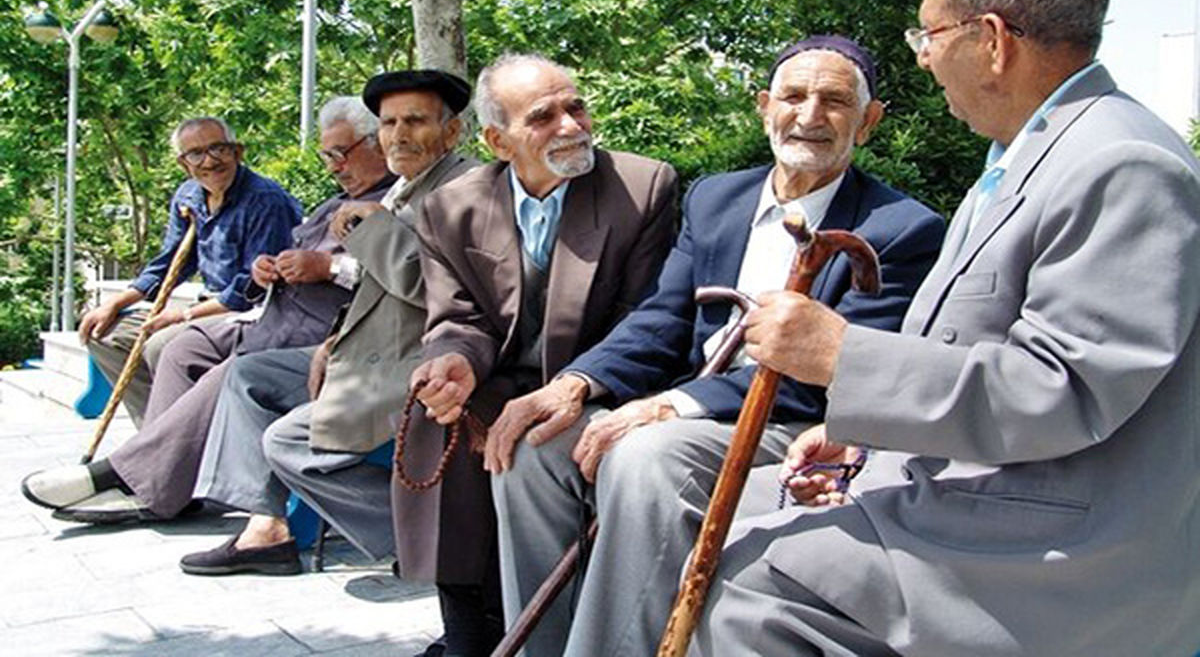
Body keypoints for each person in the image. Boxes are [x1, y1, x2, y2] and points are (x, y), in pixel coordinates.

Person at [695, 0, 1200, 657]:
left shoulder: (1119, 162)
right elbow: (980, 351)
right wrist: (861, 438)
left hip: (1064, 549)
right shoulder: (1031, 154)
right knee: (733, 522)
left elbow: (1064, 389)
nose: (924, 59)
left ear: (992, 40)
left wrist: (842, 356)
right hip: (995, 500)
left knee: (748, 577)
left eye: (927, 35)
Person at [488, 36, 946, 657]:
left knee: (649, 456)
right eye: (792, 96)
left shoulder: (901, 230)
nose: (810, 116)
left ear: (867, 122)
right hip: (697, 414)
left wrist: (673, 406)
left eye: (835, 101)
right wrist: (576, 384)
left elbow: (827, 377)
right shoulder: (716, 198)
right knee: (532, 444)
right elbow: (662, 319)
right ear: (764, 107)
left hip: (795, 425)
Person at [408, 54, 680, 656]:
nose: (571, 125)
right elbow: (458, 318)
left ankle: (537, 628)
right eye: (544, 116)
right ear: (497, 141)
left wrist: (580, 386)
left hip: (600, 381)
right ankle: (468, 633)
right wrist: (454, 360)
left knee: (526, 442)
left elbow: (647, 319)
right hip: (500, 378)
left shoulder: (642, 187)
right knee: (440, 421)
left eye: (575, 106)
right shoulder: (449, 207)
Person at [21, 97, 394, 523]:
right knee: (183, 348)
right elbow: (179, 265)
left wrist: (326, 267)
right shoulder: (329, 201)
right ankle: (162, 473)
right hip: (268, 315)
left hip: (316, 332)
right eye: (328, 155)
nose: (332, 166)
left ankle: (138, 479)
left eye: (340, 153)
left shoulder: (384, 202)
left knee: (212, 361)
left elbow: (399, 274)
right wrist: (266, 271)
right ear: (183, 164)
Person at [177, 69, 476, 577]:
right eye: (389, 123)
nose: (399, 135)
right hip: (359, 350)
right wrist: (334, 337)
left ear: (452, 133)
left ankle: (433, 530)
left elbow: (427, 285)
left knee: (287, 441)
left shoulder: (464, 186)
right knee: (247, 374)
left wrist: (368, 229)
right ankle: (266, 526)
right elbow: (372, 288)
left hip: (419, 361)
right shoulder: (403, 188)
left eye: (415, 121)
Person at [78, 116, 302, 426]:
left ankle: (177, 439)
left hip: (254, 312)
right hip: (208, 306)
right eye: (196, 154)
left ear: (238, 152)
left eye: (218, 149)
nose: (209, 161)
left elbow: (250, 288)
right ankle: (156, 433)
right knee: (105, 336)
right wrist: (115, 304)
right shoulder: (188, 197)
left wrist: (183, 317)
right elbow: (171, 264)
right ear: (184, 164)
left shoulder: (266, 200)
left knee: (162, 344)